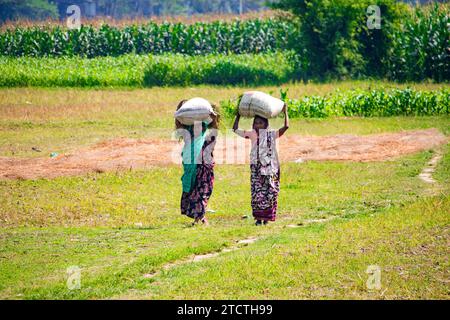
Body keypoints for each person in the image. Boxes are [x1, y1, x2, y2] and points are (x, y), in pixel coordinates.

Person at [232, 104, 289, 225]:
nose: (258, 125)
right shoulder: (252, 134)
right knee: (256, 192)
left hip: (270, 168)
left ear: (266, 124)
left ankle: (267, 218)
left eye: (260, 123)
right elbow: (235, 129)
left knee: (270, 191)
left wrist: (285, 112)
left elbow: (286, 126)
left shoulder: (272, 134)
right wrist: (238, 114)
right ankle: (258, 218)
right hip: (256, 169)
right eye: (256, 123)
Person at [175, 100, 219, 226]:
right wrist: (179, 113)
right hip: (190, 163)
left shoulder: (204, 125)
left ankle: (200, 217)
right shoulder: (187, 128)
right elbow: (179, 124)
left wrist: (213, 116)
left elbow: (214, 126)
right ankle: (200, 217)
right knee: (194, 190)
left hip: (203, 166)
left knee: (202, 191)